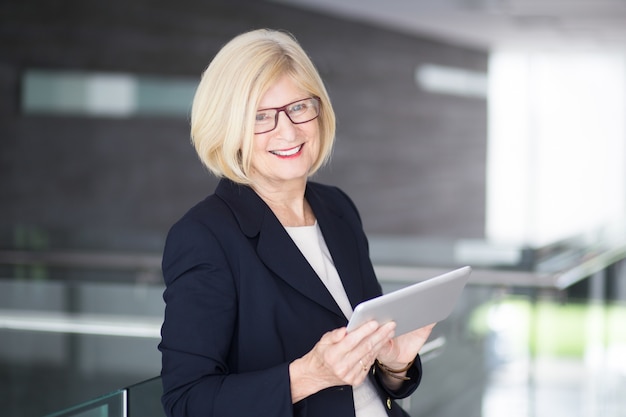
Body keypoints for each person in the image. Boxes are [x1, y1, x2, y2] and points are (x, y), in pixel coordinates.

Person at [158, 28, 435, 417]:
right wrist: (309, 375)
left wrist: (394, 363)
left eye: (298, 108)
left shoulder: (337, 209)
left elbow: (368, 376)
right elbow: (186, 402)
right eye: (261, 117)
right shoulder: (205, 236)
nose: (288, 131)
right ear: (230, 129)